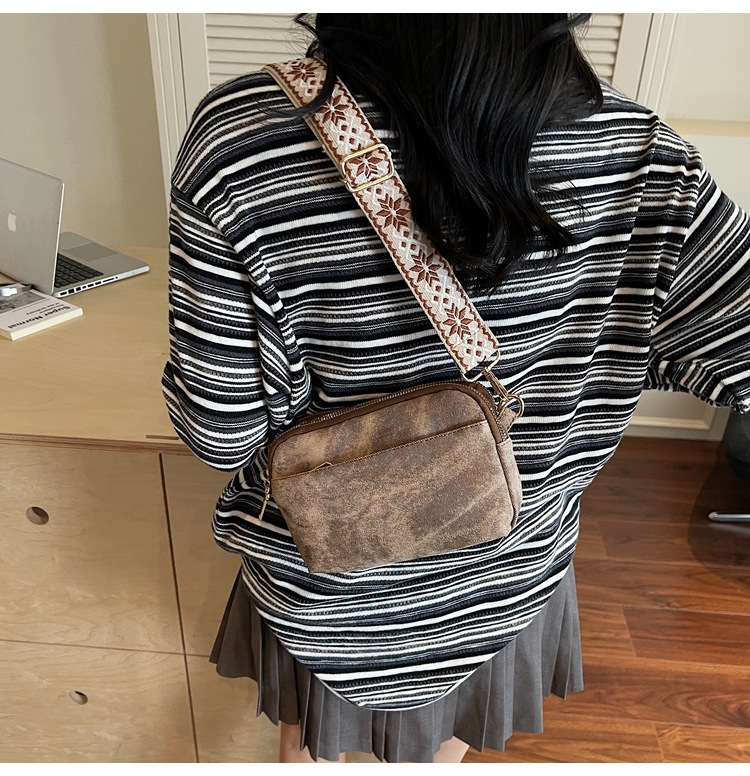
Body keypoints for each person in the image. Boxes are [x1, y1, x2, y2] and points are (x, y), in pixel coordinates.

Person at [161, 13, 750, 763]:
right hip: (510, 571)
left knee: (309, 747)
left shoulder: (242, 139)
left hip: (329, 580)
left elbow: (220, 433)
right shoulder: (641, 155)